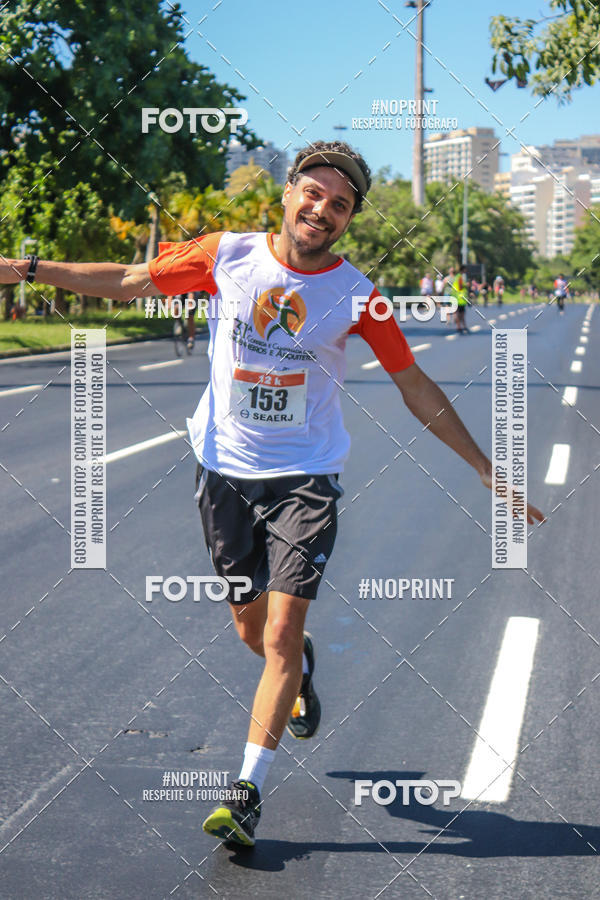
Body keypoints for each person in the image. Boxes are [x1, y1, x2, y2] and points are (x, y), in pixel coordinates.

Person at [0, 140, 544, 848]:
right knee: (252, 633)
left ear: (349, 219)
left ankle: (247, 790)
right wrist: (26, 267)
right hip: (224, 470)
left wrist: (482, 465)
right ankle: (301, 671)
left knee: (281, 631)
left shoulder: (358, 296)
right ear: (288, 193)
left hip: (306, 478)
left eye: (340, 204)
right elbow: (132, 280)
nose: (323, 210)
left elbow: (413, 384)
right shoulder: (226, 255)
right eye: (314, 194)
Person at [452, 264, 469, 334]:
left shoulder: (457, 277)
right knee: (461, 314)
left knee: (460, 313)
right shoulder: (459, 277)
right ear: (463, 269)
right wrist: (466, 285)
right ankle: (460, 326)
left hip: (456, 297)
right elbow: (460, 287)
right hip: (460, 298)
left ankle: (461, 326)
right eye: (465, 269)